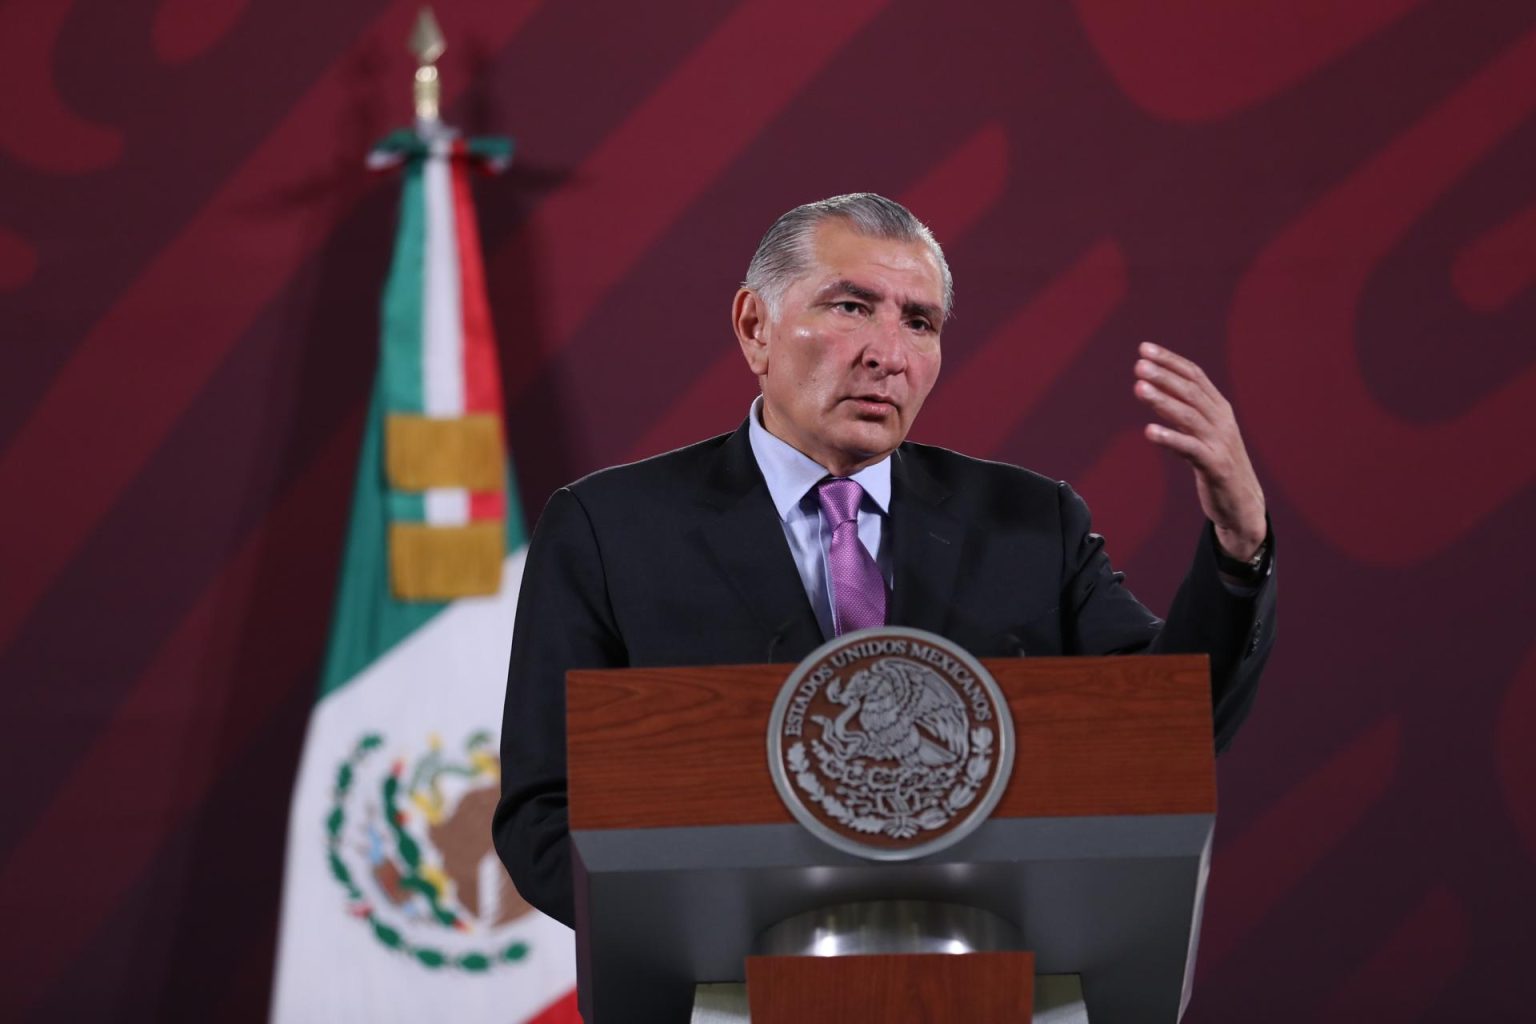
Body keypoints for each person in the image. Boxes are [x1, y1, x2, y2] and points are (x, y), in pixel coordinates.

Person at [493, 193, 1275, 928]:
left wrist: (1239, 552)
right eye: (852, 307)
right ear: (755, 326)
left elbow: (1167, 731)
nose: (888, 355)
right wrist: (733, 937)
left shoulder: (1030, 523)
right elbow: (543, 816)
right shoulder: (610, 529)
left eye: (921, 322)